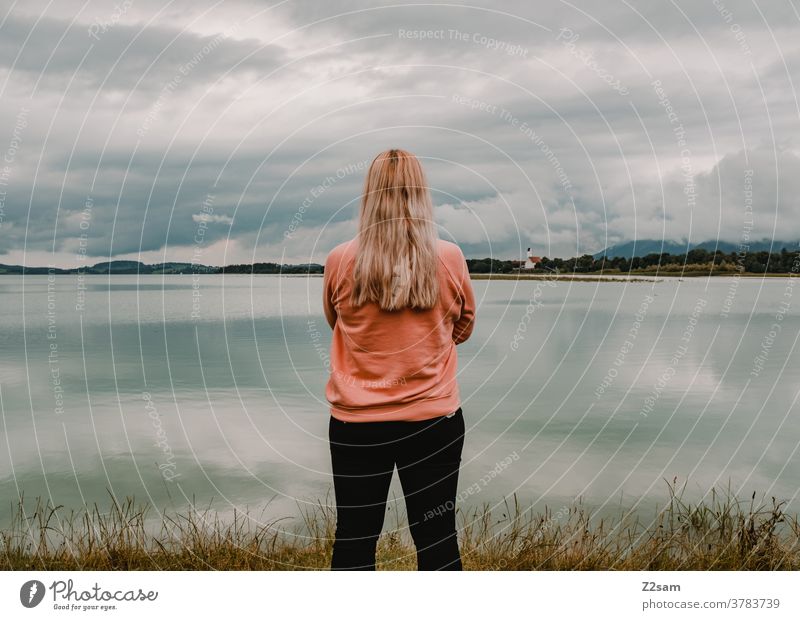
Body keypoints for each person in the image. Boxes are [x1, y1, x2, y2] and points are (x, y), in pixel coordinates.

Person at [322, 148, 476, 570]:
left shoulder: (340, 260)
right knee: (438, 539)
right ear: (420, 192)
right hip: (433, 423)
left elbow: (337, 323)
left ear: (369, 194)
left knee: (354, 537)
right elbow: (462, 327)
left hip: (356, 425)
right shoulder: (449, 258)